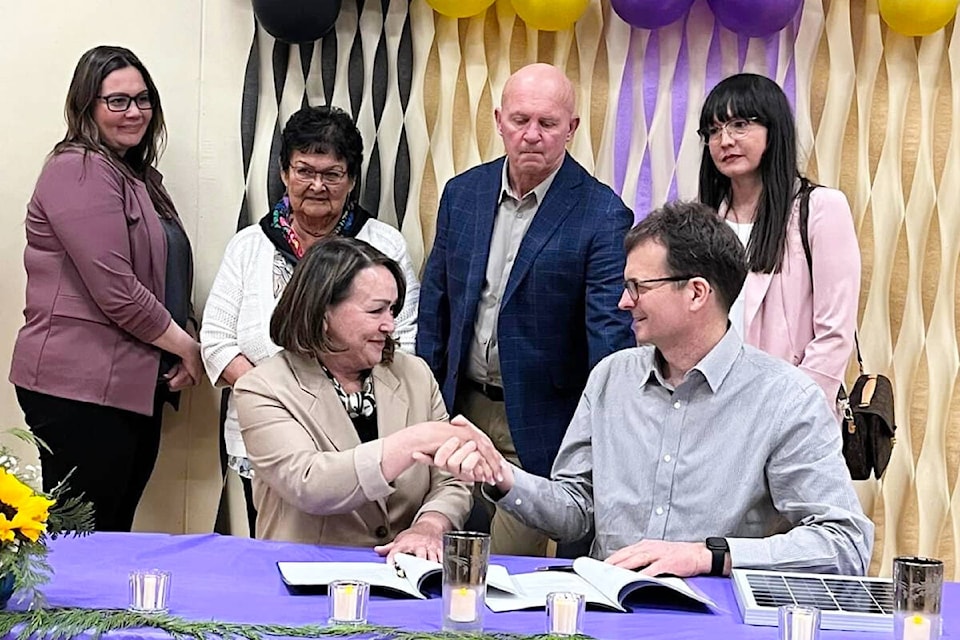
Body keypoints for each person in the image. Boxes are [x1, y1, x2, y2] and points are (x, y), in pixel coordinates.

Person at [423, 202, 874, 576]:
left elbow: (845, 542)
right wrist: (502, 475)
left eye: (638, 287)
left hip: (714, 617)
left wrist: (709, 557)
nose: (623, 302)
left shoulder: (785, 399)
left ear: (697, 293)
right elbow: (575, 510)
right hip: (607, 611)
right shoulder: (610, 378)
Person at [416, 63, 635, 556]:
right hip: (458, 407)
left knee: (506, 570)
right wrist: (426, 401)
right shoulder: (462, 194)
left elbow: (609, 339)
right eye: (519, 120)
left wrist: (601, 437)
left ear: (572, 128)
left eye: (548, 123)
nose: (531, 135)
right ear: (498, 120)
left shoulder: (603, 214)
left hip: (541, 423)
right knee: (443, 553)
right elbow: (437, 308)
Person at [201, 105, 420, 535]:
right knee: (280, 550)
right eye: (304, 170)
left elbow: (403, 341)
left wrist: (328, 402)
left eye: (332, 173)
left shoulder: (384, 245)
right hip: (267, 440)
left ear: (351, 180)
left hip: (364, 440)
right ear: (284, 173)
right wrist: (282, 401)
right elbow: (216, 342)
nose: (317, 185)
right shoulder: (250, 246)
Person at [9, 45, 201, 532]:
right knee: (81, 549)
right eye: (116, 100)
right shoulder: (79, 169)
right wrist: (188, 349)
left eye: (143, 99)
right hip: (79, 389)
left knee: (113, 537)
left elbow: (163, 275)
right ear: (86, 106)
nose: (133, 111)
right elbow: (115, 289)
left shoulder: (137, 178)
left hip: (130, 386)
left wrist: (179, 342)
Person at [233, 238, 499, 559]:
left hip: (403, 576)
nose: (390, 325)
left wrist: (429, 526)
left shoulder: (414, 374)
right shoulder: (263, 387)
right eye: (376, 310)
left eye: (392, 309)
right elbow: (310, 483)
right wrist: (411, 442)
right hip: (306, 577)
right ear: (323, 312)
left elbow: (451, 481)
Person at [698, 73, 860, 407]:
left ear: (774, 131)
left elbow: (834, 333)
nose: (724, 140)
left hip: (790, 410)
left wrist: (791, 409)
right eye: (713, 131)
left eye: (739, 124)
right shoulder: (704, 220)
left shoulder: (820, 208)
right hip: (712, 408)